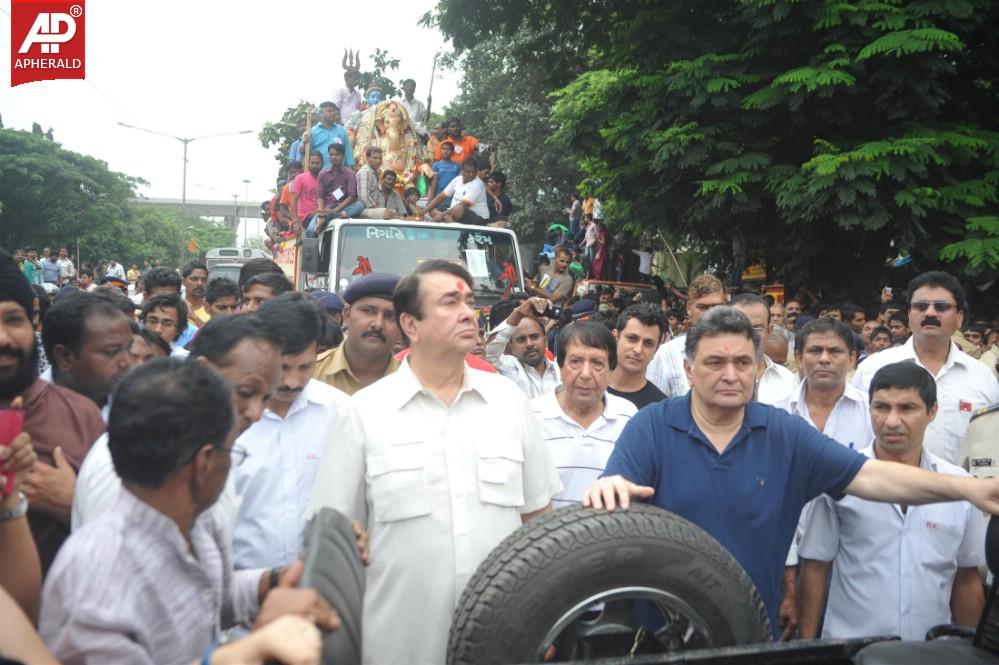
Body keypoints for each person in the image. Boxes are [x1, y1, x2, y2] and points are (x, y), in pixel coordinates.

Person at [582, 305, 999, 638]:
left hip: (752, 632)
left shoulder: (783, 434)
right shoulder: (652, 426)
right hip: (662, 634)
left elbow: (873, 477)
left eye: (743, 362)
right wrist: (609, 487)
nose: (731, 374)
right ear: (689, 369)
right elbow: (614, 487)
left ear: (757, 368)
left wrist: (967, 490)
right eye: (715, 363)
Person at [305, 260, 562, 665]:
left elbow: (539, 519)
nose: (467, 313)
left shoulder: (509, 402)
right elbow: (334, 539)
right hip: (398, 646)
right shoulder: (363, 413)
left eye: (469, 301)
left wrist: (548, 615)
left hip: (504, 641)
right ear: (411, 325)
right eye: (449, 302)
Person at [41, 359, 335, 665]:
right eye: (232, 451)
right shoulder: (99, 578)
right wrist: (241, 652)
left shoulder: (197, 523)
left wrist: (272, 581)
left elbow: (213, 596)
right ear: (205, 464)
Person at [798, 363, 985, 640]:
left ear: (932, 411)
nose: (892, 421)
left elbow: (967, 578)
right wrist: (806, 647)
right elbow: (815, 566)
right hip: (853, 648)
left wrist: (975, 652)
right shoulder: (841, 479)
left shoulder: (960, 487)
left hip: (931, 651)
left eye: (907, 408)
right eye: (881, 407)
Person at [72, 314, 282, 534]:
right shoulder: (128, 459)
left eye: (266, 398)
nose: (257, 413)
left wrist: (272, 571)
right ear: (204, 372)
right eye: (246, 392)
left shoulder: (215, 453)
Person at [0, 251, 105, 574]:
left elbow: (127, 538)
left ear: (35, 323)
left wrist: (75, 504)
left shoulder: (81, 415)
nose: (2, 338)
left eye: (12, 320)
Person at [231, 294, 347, 569]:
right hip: (237, 590)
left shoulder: (341, 412)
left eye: (305, 367)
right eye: (282, 368)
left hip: (317, 588)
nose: (293, 382)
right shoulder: (228, 418)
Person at [776, 317, 874, 633]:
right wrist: (788, 574)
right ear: (800, 358)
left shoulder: (872, 414)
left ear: (852, 359)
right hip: (782, 554)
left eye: (835, 351)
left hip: (852, 557)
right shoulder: (776, 414)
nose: (824, 359)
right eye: (815, 350)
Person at [853, 271, 999, 463]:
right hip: (886, 488)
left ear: (959, 318)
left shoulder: (981, 376)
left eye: (941, 307)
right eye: (921, 306)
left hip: (961, 490)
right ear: (909, 315)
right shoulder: (873, 368)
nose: (930, 313)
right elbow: (856, 438)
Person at [532, 321, 637, 508]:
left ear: (611, 369)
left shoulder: (628, 417)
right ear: (560, 365)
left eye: (597, 363)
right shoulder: (531, 416)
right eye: (576, 362)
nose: (586, 374)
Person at [312, 273, 402, 395]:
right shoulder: (311, 372)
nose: (378, 324)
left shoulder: (414, 382)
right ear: (347, 314)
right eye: (368, 311)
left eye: (390, 316)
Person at [42, 292, 133, 410]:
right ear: (64, 357)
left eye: (129, 348)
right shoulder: (28, 414)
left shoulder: (140, 407)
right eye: (112, 352)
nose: (126, 362)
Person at [647, 274, 726, 397]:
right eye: (703, 307)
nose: (711, 314)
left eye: (716, 307)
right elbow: (655, 408)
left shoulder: (739, 351)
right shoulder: (667, 354)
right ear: (689, 308)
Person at [484, 297, 561, 398]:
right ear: (512, 347)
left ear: (545, 340)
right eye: (521, 339)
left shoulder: (561, 370)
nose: (529, 344)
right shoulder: (510, 368)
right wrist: (518, 313)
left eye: (534, 337)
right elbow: (489, 353)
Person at [731, 293, 798, 405]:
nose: (748, 335)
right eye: (739, 327)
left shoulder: (789, 382)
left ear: (769, 331)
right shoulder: (707, 379)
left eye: (757, 328)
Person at [608, 304, 667, 409]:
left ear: (656, 350)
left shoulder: (661, 409)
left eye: (648, 343)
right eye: (632, 338)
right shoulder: (587, 390)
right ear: (615, 337)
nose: (638, 350)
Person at [310, 143, 362, 238]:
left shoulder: (349, 174)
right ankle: (325, 217)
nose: (334, 157)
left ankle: (327, 218)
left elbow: (351, 196)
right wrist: (321, 210)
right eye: (331, 154)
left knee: (359, 205)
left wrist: (335, 210)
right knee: (310, 231)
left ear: (343, 156)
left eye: (337, 154)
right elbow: (320, 196)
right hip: (327, 209)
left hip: (342, 208)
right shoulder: (322, 174)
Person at [425, 158, 490, 225]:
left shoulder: (477, 184)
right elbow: (442, 196)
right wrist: (424, 211)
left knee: (458, 209)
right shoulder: (457, 180)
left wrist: (437, 218)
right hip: (454, 213)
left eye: (473, 172)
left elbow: (462, 206)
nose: (471, 174)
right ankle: (448, 219)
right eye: (468, 171)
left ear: (476, 172)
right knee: (431, 207)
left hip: (478, 219)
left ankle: (449, 220)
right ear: (462, 171)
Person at [301, 100, 354, 170]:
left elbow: (348, 153)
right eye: (329, 111)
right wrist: (305, 143)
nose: (333, 113)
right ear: (321, 113)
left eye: (334, 111)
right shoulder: (312, 132)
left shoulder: (342, 130)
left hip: (339, 173)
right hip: (318, 174)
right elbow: (303, 152)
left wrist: (351, 172)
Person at [291, 152, 323, 236]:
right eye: (312, 163)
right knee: (313, 231)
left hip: (322, 214)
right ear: (308, 163)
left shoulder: (326, 178)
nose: (315, 165)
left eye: (317, 163)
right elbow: (293, 200)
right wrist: (295, 222)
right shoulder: (300, 178)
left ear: (322, 163)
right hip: (306, 217)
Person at [429, 141, 461, 209]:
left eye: (448, 149)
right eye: (444, 149)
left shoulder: (458, 166)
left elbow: (460, 183)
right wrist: (431, 198)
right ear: (441, 150)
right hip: (440, 196)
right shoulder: (436, 165)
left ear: (452, 152)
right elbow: (433, 183)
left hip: (453, 196)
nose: (446, 151)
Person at [332, 62, 362, 127]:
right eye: (355, 78)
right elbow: (335, 109)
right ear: (347, 79)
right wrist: (339, 125)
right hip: (341, 125)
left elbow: (359, 110)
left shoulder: (358, 95)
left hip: (355, 127)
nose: (357, 81)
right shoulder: (340, 91)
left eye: (358, 79)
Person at [182, 260, 210, 327]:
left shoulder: (211, 309)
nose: (199, 283)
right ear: (183, 282)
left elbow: (213, 335)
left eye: (203, 280)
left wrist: (194, 317)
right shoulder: (176, 307)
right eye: (194, 279)